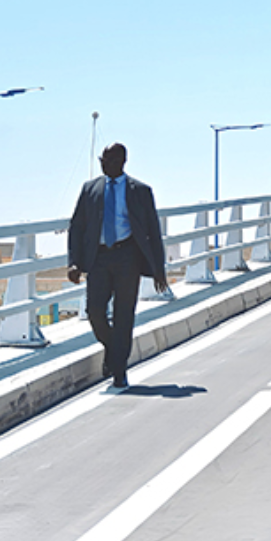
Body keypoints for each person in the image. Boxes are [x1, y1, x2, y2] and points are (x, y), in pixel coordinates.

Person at [67, 143, 169, 389]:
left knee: (124, 316)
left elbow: (153, 232)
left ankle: (119, 371)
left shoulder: (140, 191)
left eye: (110, 160)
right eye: (103, 159)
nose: (105, 164)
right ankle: (113, 349)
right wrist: (74, 262)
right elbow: (77, 227)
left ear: (123, 161)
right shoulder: (90, 189)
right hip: (98, 259)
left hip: (128, 257)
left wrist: (159, 268)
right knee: (95, 312)